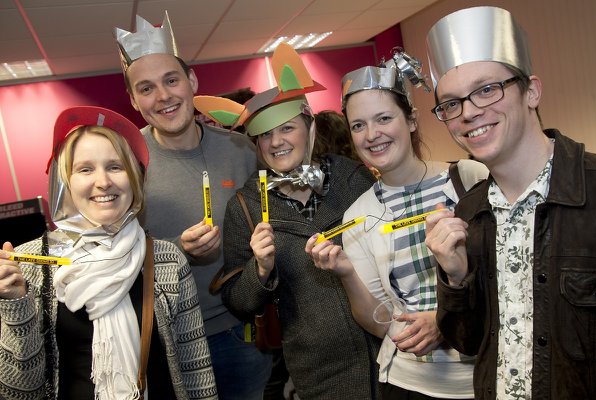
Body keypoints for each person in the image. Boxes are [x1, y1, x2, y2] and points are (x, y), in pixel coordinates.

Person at [423, 6, 596, 400]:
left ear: (531, 90)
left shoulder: (595, 193)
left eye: (487, 89)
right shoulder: (468, 213)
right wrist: (455, 276)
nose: (469, 112)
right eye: (451, 104)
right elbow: (467, 342)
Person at [194, 43, 381, 400]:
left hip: (388, 350)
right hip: (318, 372)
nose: (276, 141)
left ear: (310, 128)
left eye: (286, 129)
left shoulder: (352, 177)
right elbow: (239, 302)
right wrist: (260, 269)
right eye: (265, 135)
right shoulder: (246, 206)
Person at [305, 48, 488, 400]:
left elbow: (505, 279)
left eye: (384, 118)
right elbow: (379, 322)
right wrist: (346, 272)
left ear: (412, 120)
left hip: (483, 374)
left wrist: (442, 318)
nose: (371, 134)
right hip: (410, 384)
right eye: (358, 125)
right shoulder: (359, 215)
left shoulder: (470, 178)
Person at [0, 106, 217, 399]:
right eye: (85, 169)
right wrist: (16, 305)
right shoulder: (31, 267)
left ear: (134, 178)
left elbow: (196, 372)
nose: (103, 182)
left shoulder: (167, 260)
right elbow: (18, 390)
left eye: (115, 166)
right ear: (65, 182)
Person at [115, 12, 272, 399]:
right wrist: (174, 250)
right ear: (134, 100)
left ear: (192, 82)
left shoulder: (240, 148)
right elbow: (110, 251)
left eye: (171, 80)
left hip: (241, 333)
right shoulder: (124, 163)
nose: (164, 96)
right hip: (165, 339)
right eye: (146, 88)